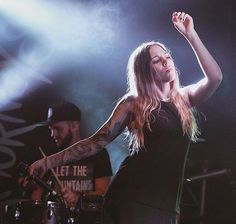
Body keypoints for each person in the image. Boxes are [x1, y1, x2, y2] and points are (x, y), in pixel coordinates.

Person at [29, 11, 223, 224]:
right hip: (132, 197)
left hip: (167, 203)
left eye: (167, 57)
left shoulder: (183, 99)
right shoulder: (133, 103)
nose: (166, 62)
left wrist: (191, 35)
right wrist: (48, 161)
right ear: (145, 71)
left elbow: (215, 77)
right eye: (157, 61)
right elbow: (96, 142)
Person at [30, 102, 113, 223]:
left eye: (57, 128)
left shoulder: (98, 154)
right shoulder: (48, 156)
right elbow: (36, 195)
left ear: (74, 126)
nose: (52, 134)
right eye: (50, 129)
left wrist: (79, 198)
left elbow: (102, 193)